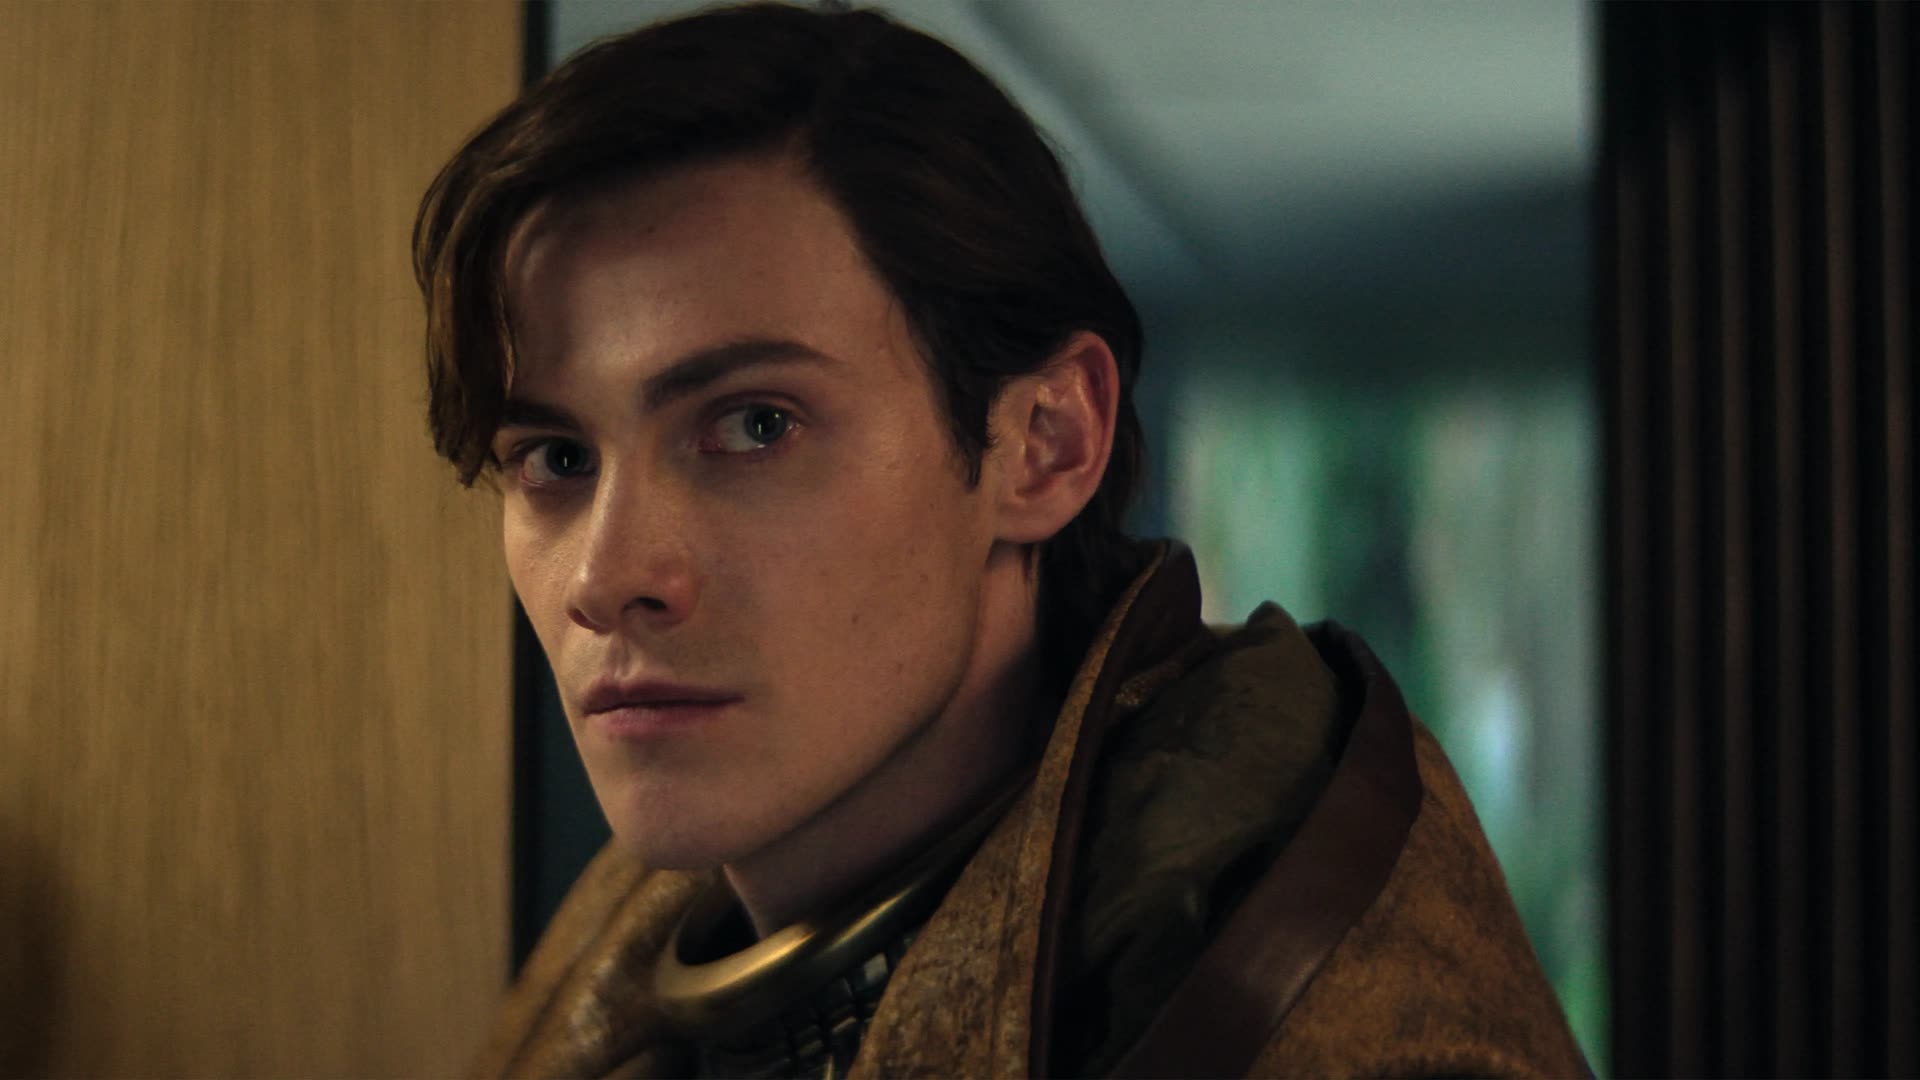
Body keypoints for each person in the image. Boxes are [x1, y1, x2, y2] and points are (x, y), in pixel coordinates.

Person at [412, 3, 1590, 1076]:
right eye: (555, 458)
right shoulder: (623, 960)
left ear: (1046, 446)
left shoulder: (1306, 1002)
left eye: (755, 426)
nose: (607, 577)